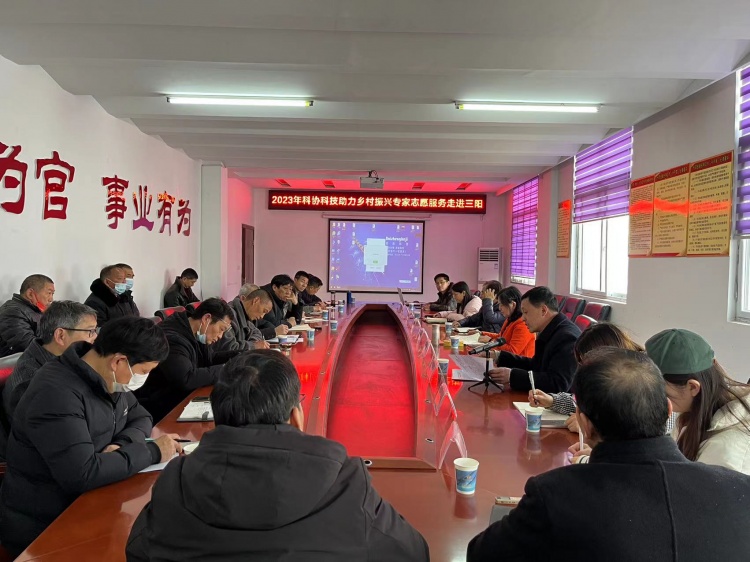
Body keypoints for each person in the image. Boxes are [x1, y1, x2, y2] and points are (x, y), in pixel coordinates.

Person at [126, 351, 430, 562]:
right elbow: (413, 552)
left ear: (217, 418)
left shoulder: (175, 482)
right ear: (296, 417)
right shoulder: (348, 483)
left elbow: (139, 550)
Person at [467, 348, 750, 562]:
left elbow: (481, 554)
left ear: (585, 425)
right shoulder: (739, 488)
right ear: (667, 411)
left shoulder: (555, 494)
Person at [0, 317, 181, 557]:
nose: (143, 379)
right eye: (144, 371)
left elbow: (141, 417)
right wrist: (154, 451)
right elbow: (82, 474)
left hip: (93, 499)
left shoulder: (107, 376)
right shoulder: (56, 393)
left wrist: (122, 445)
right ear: (119, 361)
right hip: (47, 524)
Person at [645, 329, 750, 475]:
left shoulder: (726, 453)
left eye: (662, 393)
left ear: (693, 387)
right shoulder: (696, 409)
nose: (655, 399)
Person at [530, 322, 648, 434]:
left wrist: (595, 428)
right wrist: (552, 401)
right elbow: (586, 403)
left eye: (588, 363)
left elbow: (643, 426)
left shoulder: (641, 377)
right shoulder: (612, 373)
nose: (585, 370)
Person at [134, 298, 239, 423]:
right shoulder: (172, 338)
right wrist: (228, 369)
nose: (221, 336)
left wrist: (239, 355)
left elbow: (209, 359)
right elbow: (186, 378)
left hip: (181, 399)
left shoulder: (196, 331)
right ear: (206, 318)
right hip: (162, 407)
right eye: (221, 329)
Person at [3, 301, 98, 422]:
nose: (95, 337)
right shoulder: (33, 381)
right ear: (61, 336)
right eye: (90, 331)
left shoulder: (63, 359)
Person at [489, 286, 579, 392]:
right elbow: (536, 365)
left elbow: (558, 383)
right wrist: (499, 356)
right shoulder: (550, 329)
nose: (523, 318)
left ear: (543, 310)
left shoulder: (567, 337)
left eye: (526, 312)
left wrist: (512, 376)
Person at [0, 274, 55, 357]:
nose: (51, 299)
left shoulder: (36, 309)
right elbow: (27, 345)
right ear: (30, 294)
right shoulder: (12, 312)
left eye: (52, 294)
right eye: (49, 293)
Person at [215, 285, 273, 352]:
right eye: (264, 311)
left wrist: (252, 344)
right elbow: (229, 348)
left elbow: (257, 333)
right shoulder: (229, 315)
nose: (262, 316)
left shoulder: (246, 315)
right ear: (256, 301)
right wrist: (253, 346)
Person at [480, 287, 535, 357]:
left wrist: (491, 341)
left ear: (513, 304)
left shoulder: (523, 324)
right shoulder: (510, 318)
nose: (499, 308)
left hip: (517, 362)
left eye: (502, 305)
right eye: (499, 304)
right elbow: (500, 336)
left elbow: (513, 351)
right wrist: (481, 333)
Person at [257, 274, 295, 339]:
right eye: (285, 288)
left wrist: (296, 304)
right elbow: (273, 323)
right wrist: (289, 323)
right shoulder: (266, 298)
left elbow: (295, 319)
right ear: (275, 287)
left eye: (290, 289)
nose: (288, 292)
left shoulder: (280, 298)